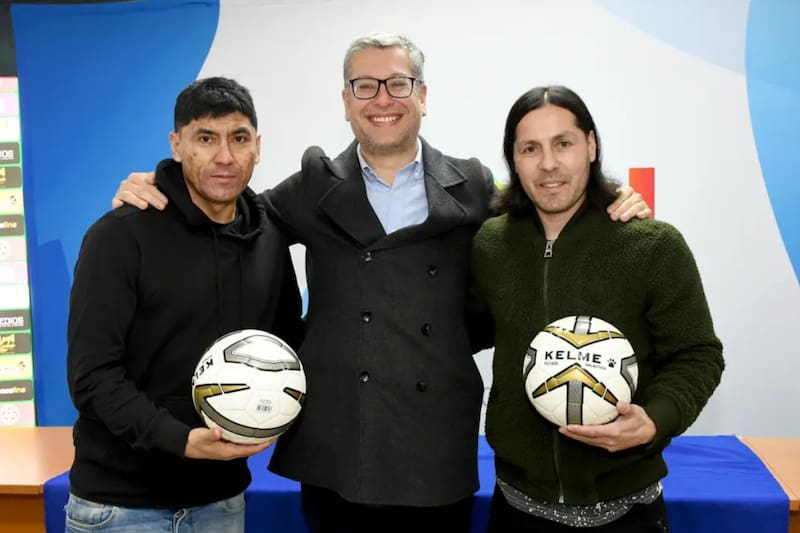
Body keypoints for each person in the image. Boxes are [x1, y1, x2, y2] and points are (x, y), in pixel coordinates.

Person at [111, 34, 651, 533]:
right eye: (364, 86)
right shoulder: (314, 185)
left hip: (435, 446)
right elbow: (230, 213)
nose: (382, 98)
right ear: (346, 102)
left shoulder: (471, 184)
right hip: (338, 445)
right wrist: (163, 186)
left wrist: (612, 200)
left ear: (423, 96)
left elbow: (544, 219)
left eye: (398, 83)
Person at [470, 85, 724, 533]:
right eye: (530, 148)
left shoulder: (653, 244)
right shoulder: (490, 243)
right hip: (515, 509)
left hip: (629, 512)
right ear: (513, 159)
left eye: (563, 143)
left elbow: (697, 354)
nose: (548, 163)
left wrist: (654, 420)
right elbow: (465, 329)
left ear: (590, 145)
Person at [66, 77, 303, 533]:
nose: (224, 156)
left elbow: (287, 344)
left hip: (221, 502)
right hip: (120, 508)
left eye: (239, 138)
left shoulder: (269, 240)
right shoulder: (120, 236)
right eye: (205, 139)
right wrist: (182, 440)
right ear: (177, 145)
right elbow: (92, 378)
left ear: (258, 146)